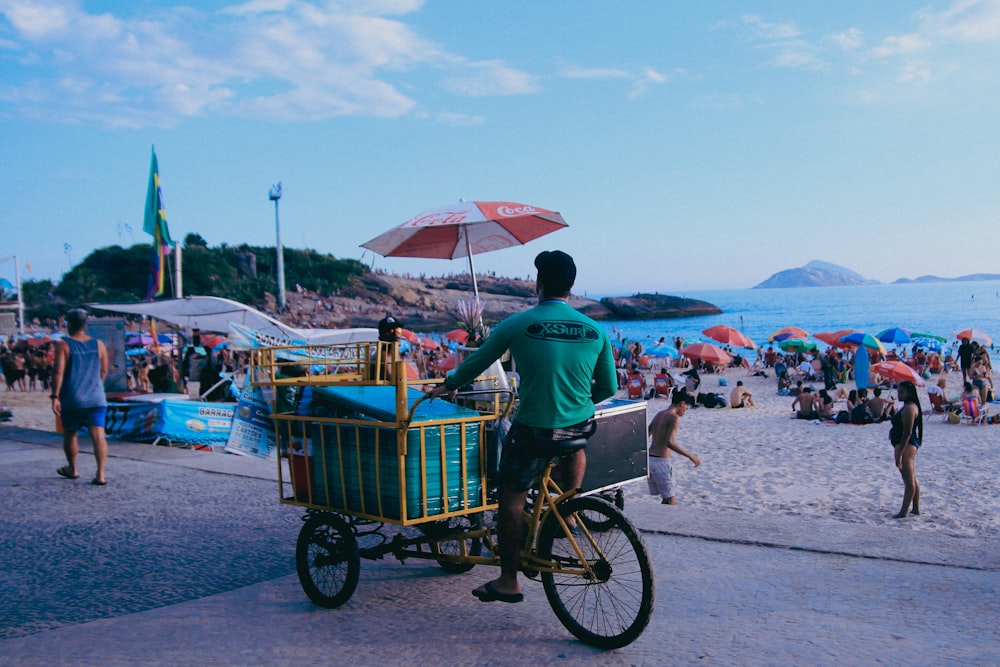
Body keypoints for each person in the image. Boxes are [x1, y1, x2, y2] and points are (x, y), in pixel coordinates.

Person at [426, 250, 617, 605]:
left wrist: (448, 383)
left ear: (538, 284)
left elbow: (479, 361)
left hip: (533, 429)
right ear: (572, 286)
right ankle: (568, 512)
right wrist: (578, 404)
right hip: (579, 428)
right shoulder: (595, 330)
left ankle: (508, 580)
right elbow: (609, 387)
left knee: (511, 499)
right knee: (573, 444)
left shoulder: (516, 324)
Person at [50, 308, 109, 485]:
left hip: (72, 397)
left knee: (70, 433)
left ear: (69, 324)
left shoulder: (63, 345)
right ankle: (100, 474)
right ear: (85, 324)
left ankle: (73, 468)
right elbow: (104, 370)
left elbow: (58, 372)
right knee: (98, 435)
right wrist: (95, 385)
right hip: (96, 397)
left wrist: (55, 396)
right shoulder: (98, 344)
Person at [647, 390, 701, 504]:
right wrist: (691, 456)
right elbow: (669, 442)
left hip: (649, 460)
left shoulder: (659, 414)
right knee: (671, 500)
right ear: (682, 404)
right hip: (661, 461)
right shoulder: (674, 418)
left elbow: (647, 434)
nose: (685, 412)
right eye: (686, 408)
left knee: (666, 499)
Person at [889, 381, 923, 518]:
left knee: (908, 480)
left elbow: (907, 433)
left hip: (906, 446)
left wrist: (899, 454)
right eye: (898, 392)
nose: (899, 394)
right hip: (907, 444)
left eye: (902, 392)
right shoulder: (908, 406)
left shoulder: (909, 408)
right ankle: (915, 508)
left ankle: (904, 512)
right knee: (912, 478)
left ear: (910, 393)